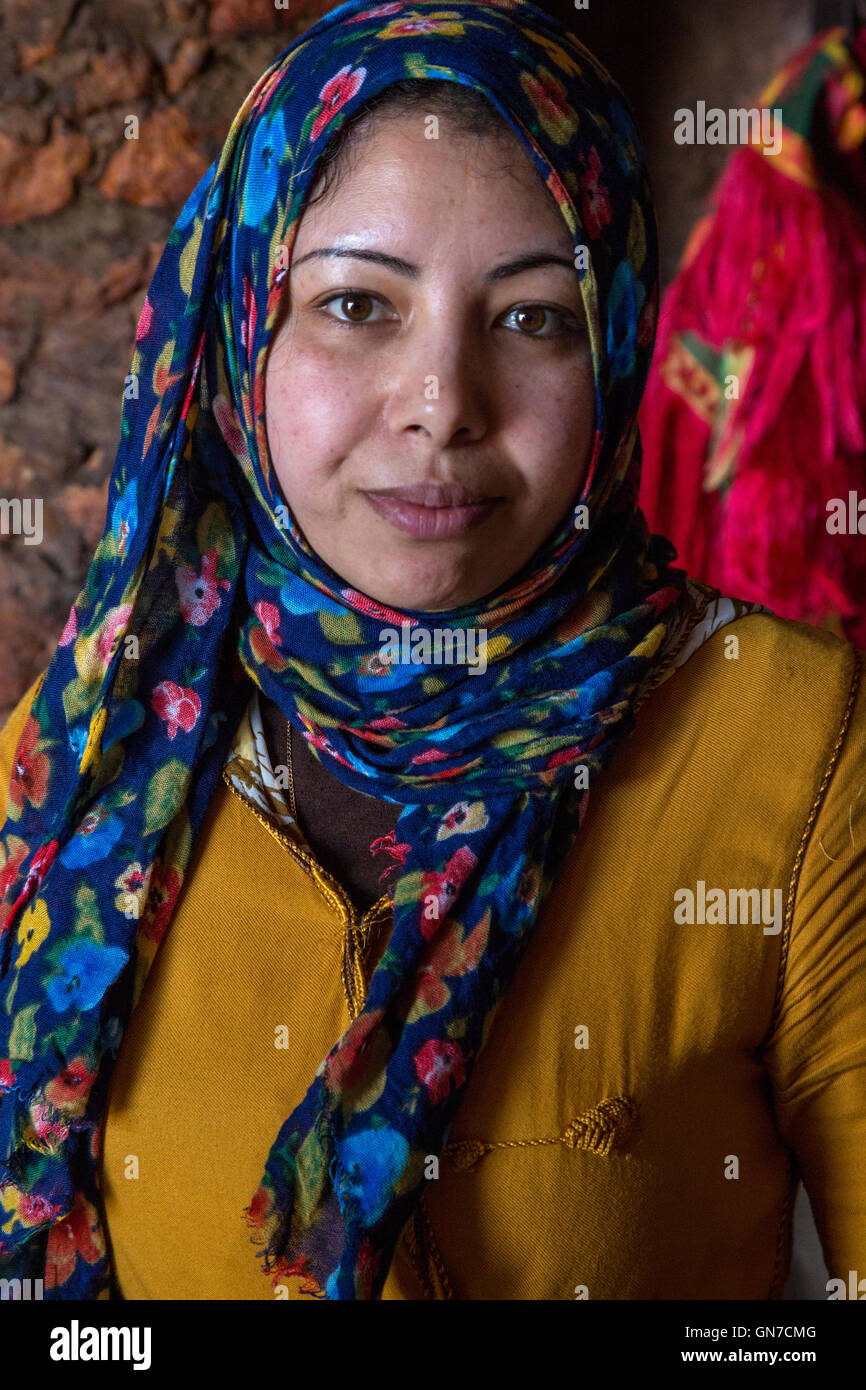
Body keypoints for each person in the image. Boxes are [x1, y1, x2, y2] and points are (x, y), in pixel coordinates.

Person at [0, 0, 863, 1302]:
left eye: (530, 319)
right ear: (241, 336)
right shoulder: (78, 754)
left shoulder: (793, 740)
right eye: (356, 304)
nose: (442, 405)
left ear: (616, 341)